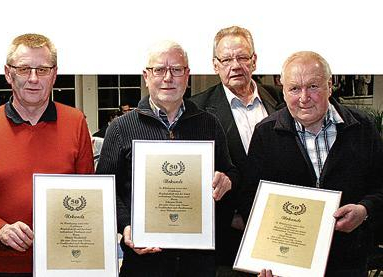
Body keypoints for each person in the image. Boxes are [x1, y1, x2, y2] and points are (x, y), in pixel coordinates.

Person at [96, 41, 238, 277]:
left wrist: (227, 180)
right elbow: (105, 190)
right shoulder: (122, 128)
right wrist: (126, 226)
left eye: (177, 69)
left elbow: (231, 172)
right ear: (146, 76)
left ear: (188, 75)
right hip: (143, 263)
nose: (168, 78)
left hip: (198, 264)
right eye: (159, 70)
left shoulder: (209, 123)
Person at [0, 33, 94, 276]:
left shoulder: (76, 122)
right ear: (8, 74)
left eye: (42, 70)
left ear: (54, 74)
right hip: (7, 266)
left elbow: (89, 197)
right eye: (23, 69)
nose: (33, 79)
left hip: (65, 263)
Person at [245, 51, 383, 277]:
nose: (303, 97)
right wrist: (263, 256)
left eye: (313, 87)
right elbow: (250, 197)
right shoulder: (265, 133)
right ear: (283, 89)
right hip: (286, 265)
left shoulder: (362, 128)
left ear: (329, 85)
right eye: (294, 88)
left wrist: (365, 210)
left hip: (348, 262)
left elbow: (380, 186)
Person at [190, 25, 284, 273]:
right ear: (215, 64)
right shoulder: (196, 110)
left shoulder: (283, 100)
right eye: (227, 59)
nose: (235, 65)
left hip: (280, 232)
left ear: (254, 60)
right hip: (226, 236)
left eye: (242, 57)